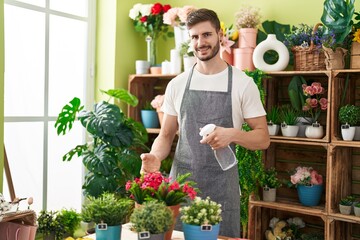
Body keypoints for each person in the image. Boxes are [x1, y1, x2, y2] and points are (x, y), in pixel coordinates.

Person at [140, 8, 270, 238]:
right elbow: (166, 134)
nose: (200, 42)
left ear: (220, 35)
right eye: (194, 37)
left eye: (206, 35)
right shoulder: (177, 84)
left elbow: (262, 138)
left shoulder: (243, 83)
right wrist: (155, 157)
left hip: (222, 188)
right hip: (182, 187)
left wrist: (233, 134)